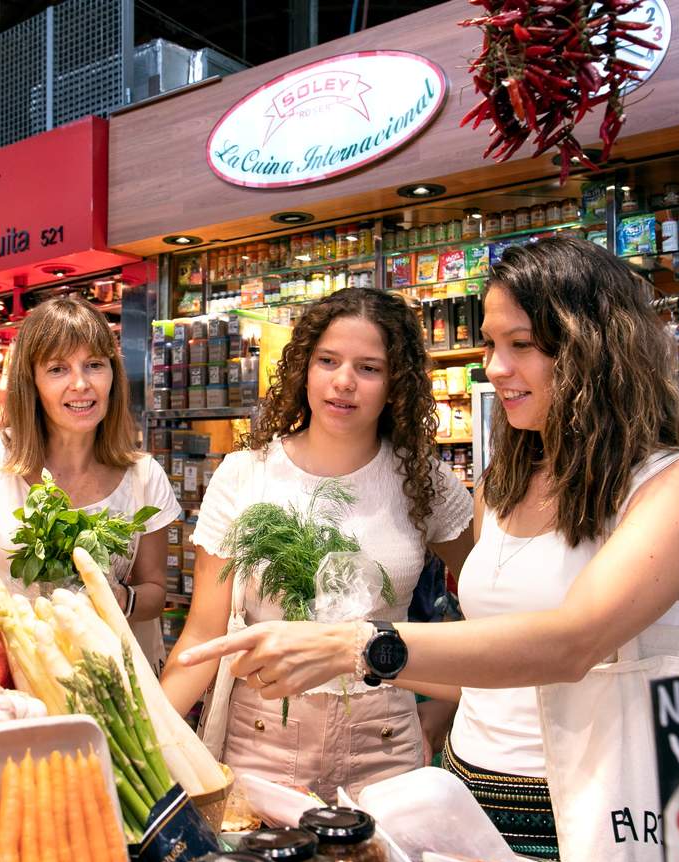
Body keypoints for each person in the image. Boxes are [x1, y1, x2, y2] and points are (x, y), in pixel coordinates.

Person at [179, 238, 679, 859]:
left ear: (595, 349)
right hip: (462, 792)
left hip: (598, 797)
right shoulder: (504, 485)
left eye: (520, 345)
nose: (493, 367)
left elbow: (573, 642)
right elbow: (484, 640)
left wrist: (355, 647)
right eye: (492, 344)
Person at [160, 287, 475, 803]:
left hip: (386, 743)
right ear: (304, 367)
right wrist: (145, 740)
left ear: (396, 382)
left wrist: (442, 707)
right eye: (328, 360)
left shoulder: (426, 483)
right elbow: (201, 632)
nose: (344, 381)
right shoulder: (246, 474)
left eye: (369, 368)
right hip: (262, 738)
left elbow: (490, 603)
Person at [0, 296, 181, 670]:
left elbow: (156, 593)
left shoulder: (144, 476)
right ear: (32, 381)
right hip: (3, 673)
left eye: (94, 365)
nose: (80, 384)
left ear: (113, 375)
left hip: (110, 679)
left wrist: (117, 597)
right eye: (58, 369)